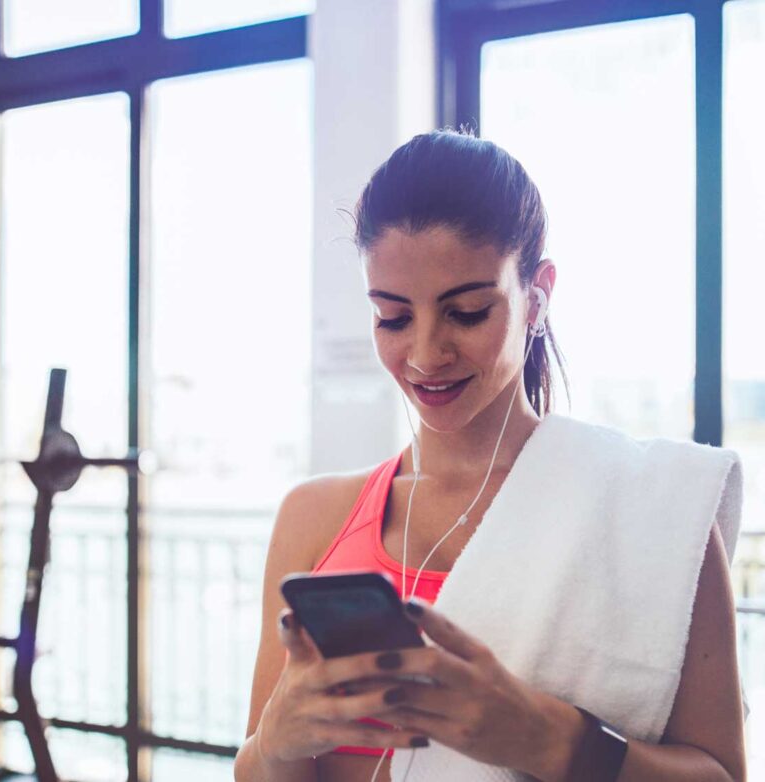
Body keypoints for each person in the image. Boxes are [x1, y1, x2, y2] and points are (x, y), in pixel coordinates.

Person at [233, 129, 746, 782]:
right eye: (392, 317)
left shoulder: (651, 512)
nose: (424, 354)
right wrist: (272, 746)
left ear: (538, 294)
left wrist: (550, 740)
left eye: (467, 312)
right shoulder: (312, 518)